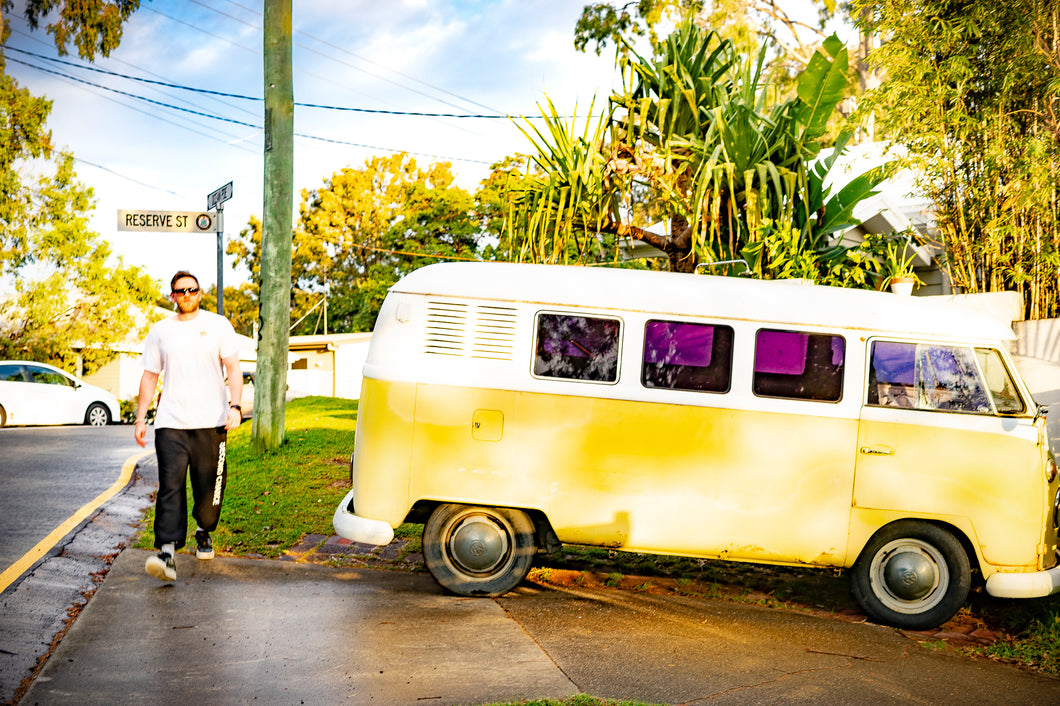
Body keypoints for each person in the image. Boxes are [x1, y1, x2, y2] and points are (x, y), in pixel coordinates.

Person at [134, 271, 243, 582]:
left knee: (209, 496)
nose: (186, 295)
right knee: (170, 486)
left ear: (200, 292)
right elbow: (150, 376)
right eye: (180, 291)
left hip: (212, 423)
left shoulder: (218, 325)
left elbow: (233, 368)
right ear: (172, 296)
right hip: (171, 423)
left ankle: (203, 530)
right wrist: (141, 417)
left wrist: (235, 406)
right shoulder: (160, 331)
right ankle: (167, 552)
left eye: (191, 290)